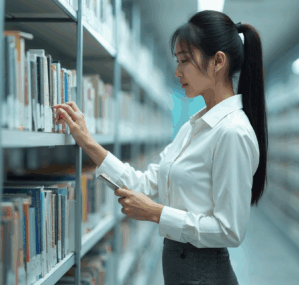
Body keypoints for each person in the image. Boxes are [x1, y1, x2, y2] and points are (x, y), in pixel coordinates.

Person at [53, 10, 267, 285]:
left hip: (204, 273)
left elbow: (230, 231)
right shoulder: (194, 127)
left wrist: (156, 213)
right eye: (177, 62)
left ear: (218, 62)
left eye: (185, 61)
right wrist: (87, 142)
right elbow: (144, 184)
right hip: (179, 267)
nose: (177, 72)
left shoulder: (232, 132)